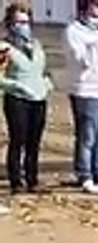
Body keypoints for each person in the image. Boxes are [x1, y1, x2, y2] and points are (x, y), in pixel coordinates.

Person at [65, 0, 98, 194]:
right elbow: (81, 61)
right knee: (87, 137)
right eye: (96, 6)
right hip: (87, 91)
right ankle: (84, 175)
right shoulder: (74, 31)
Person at [2, 2, 52, 194]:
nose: (23, 25)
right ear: (10, 23)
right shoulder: (4, 47)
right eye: (18, 22)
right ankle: (16, 180)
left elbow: (44, 70)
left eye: (25, 21)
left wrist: (46, 84)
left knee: (34, 141)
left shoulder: (36, 45)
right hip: (17, 98)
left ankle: (32, 178)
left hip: (38, 98)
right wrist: (17, 86)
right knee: (18, 139)